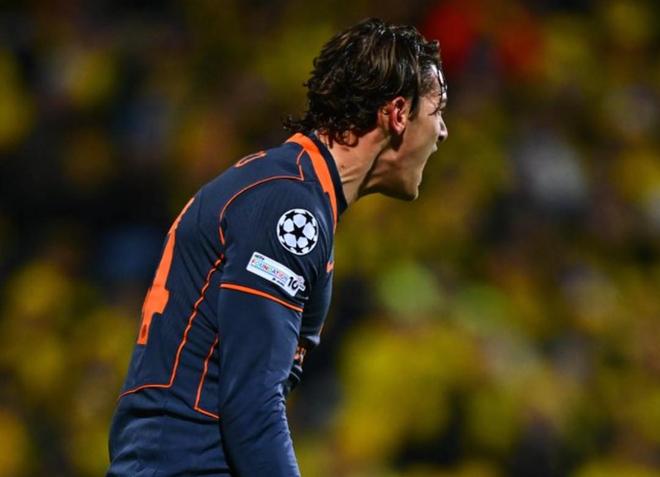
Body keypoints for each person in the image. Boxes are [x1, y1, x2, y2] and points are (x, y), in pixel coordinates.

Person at [107, 17, 448, 477]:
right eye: (438, 110)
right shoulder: (289, 206)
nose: (443, 131)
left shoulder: (285, 188)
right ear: (398, 113)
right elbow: (252, 403)